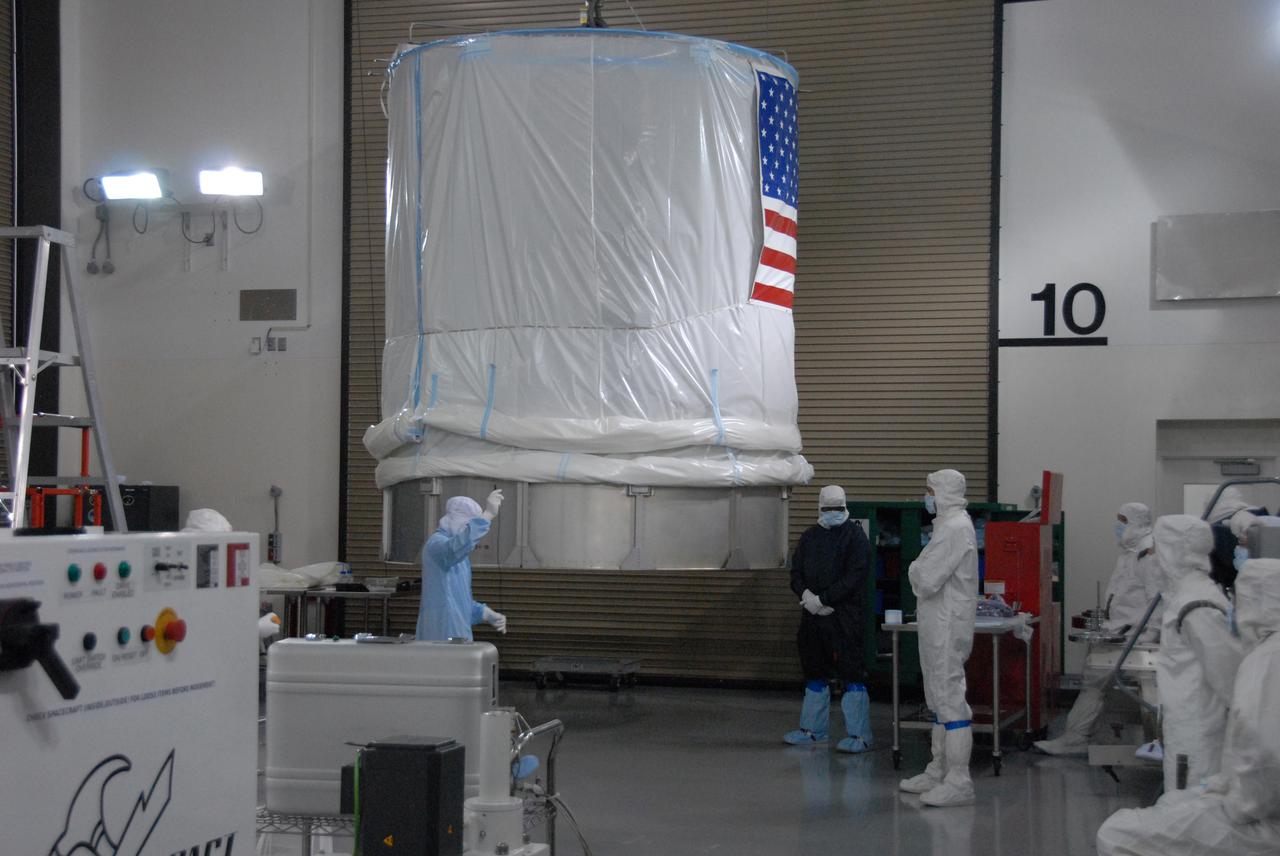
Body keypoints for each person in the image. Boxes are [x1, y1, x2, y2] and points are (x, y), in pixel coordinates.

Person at [1095, 558, 1280, 855]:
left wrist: (1230, 799)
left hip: (1255, 810)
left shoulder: (1262, 660)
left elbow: (1265, 756)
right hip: (1239, 787)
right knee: (1171, 805)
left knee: (1119, 834)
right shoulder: (1264, 653)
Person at [1035, 502, 1160, 756]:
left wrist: (1148, 637)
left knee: (1100, 683)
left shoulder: (1149, 554)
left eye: (1122, 520)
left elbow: (1157, 602)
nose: (1118, 526)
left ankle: (1077, 739)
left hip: (1135, 640)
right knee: (1097, 681)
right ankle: (1087, 737)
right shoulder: (1131, 552)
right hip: (1123, 633)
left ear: (1137, 522)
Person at [898, 469, 979, 807]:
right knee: (937, 698)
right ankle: (938, 770)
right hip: (936, 625)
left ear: (944, 492)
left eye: (929, 490)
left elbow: (925, 578)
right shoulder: (946, 527)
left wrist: (915, 568)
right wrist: (917, 569)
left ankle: (959, 780)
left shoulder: (956, 529)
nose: (925, 496)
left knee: (949, 698)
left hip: (947, 626)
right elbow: (922, 573)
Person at [1153, 514, 1243, 794]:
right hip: (1186, 728)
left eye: (1159, 547)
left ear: (1174, 551)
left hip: (1198, 737)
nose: (1155, 555)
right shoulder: (1185, 597)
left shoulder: (1198, 606)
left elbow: (1229, 680)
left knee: (1187, 812)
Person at [783, 484, 874, 753]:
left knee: (851, 672)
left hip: (843, 616)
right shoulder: (810, 537)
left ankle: (860, 735)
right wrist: (808, 597)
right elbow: (796, 572)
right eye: (827, 509)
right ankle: (812, 730)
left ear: (845, 506)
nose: (832, 513)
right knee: (813, 669)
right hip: (812, 616)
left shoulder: (856, 538)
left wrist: (825, 600)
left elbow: (855, 576)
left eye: (837, 508)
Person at [416, 490, 508, 641]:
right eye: (466, 525)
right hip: (439, 633)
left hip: (458, 634)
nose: (467, 531)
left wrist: (486, 613)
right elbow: (456, 546)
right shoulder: (437, 545)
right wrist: (487, 515)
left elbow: (462, 602)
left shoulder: (461, 559)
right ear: (451, 519)